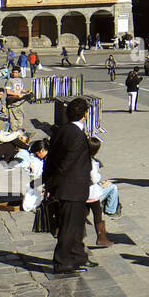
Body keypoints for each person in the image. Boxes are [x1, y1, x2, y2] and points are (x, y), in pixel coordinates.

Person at [43, 97, 94, 275]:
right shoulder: (77, 135)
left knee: (77, 225)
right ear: (85, 114)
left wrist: (48, 181)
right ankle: (62, 261)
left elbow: (51, 157)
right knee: (69, 226)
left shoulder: (61, 130)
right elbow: (67, 163)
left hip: (67, 186)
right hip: (72, 187)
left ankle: (78, 256)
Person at [85, 136, 117, 246]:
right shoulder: (93, 163)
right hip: (92, 193)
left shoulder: (80, 160)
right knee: (97, 215)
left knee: (82, 214)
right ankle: (101, 237)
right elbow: (94, 178)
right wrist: (99, 175)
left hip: (82, 193)